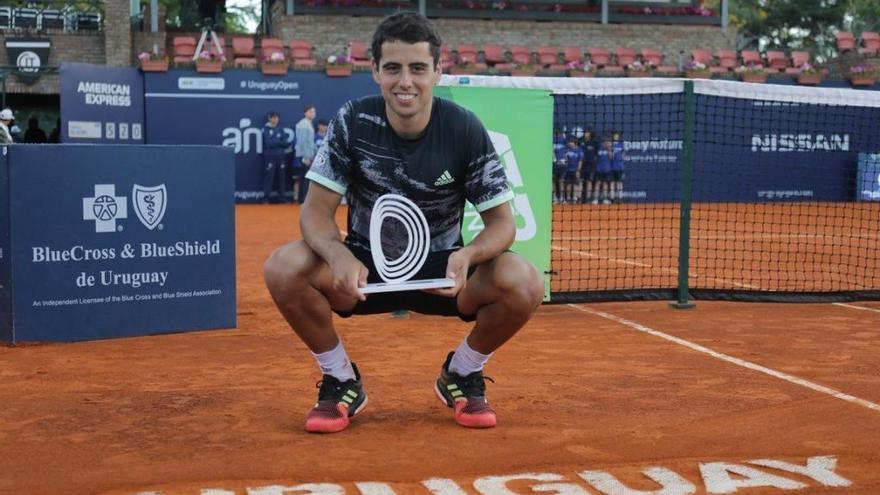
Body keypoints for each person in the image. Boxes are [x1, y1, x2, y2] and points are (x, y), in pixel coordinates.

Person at [263, 11, 543, 434]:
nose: (405, 82)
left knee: (524, 281)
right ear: (375, 70)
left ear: (437, 71)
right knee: (283, 267)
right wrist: (338, 256)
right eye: (392, 68)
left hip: (444, 271)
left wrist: (468, 256)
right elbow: (315, 211)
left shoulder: (464, 128)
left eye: (417, 68)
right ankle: (340, 380)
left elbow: (502, 224)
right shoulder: (353, 121)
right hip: (362, 271)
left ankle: (462, 374)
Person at [293, 104, 318, 204]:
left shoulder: (308, 123)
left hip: (309, 155)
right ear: (305, 113)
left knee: (305, 178)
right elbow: (302, 142)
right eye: (311, 111)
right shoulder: (303, 124)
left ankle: (302, 200)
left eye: (314, 112)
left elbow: (310, 142)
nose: (313, 113)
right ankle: (303, 200)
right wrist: (305, 157)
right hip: (305, 156)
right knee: (305, 178)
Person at [261, 111, 287, 203]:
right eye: (273, 117)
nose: (275, 119)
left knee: (281, 177)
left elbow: (285, 143)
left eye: (276, 118)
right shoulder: (266, 129)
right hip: (270, 157)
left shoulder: (281, 129)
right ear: (269, 118)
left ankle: (282, 198)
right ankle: (266, 198)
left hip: (281, 156)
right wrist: (279, 141)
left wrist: (275, 141)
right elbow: (268, 143)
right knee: (269, 177)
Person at [579, 128, 599, 204]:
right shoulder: (580, 141)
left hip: (591, 165)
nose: (586, 133)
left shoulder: (594, 142)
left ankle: (588, 198)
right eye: (585, 132)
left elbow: (597, 154)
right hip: (581, 165)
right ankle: (579, 198)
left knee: (589, 181)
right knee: (580, 181)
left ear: (591, 133)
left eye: (587, 132)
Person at [562, 137, 583, 203]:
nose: (569, 143)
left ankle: (575, 198)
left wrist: (578, 170)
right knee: (568, 184)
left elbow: (580, 161)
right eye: (569, 142)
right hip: (568, 170)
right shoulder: (567, 150)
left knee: (576, 184)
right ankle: (568, 198)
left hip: (575, 170)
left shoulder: (579, 151)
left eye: (571, 142)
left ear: (575, 143)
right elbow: (565, 160)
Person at [594, 135, 613, 204]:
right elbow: (595, 158)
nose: (606, 143)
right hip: (599, 169)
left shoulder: (609, 149)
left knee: (605, 184)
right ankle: (595, 199)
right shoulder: (599, 148)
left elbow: (611, 157)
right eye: (604, 141)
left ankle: (605, 199)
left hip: (606, 169)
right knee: (597, 183)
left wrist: (609, 149)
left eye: (607, 141)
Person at [610, 130, 626, 204]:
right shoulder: (611, 145)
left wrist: (621, 161)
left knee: (619, 183)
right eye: (614, 135)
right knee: (612, 183)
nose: (616, 137)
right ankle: (612, 198)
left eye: (617, 136)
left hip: (620, 167)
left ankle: (620, 198)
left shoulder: (621, 145)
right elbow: (610, 157)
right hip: (612, 167)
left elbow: (623, 156)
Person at [552, 127, 566, 203]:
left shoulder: (564, 140)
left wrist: (564, 161)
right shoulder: (551, 140)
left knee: (561, 181)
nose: (557, 134)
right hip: (554, 164)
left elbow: (566, 152)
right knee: (553, 181)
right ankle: (554, 198)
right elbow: (552, 152)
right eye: (555, 133)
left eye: (558, 133)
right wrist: (555, 160)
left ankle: (562, 198)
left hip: (562, 164)